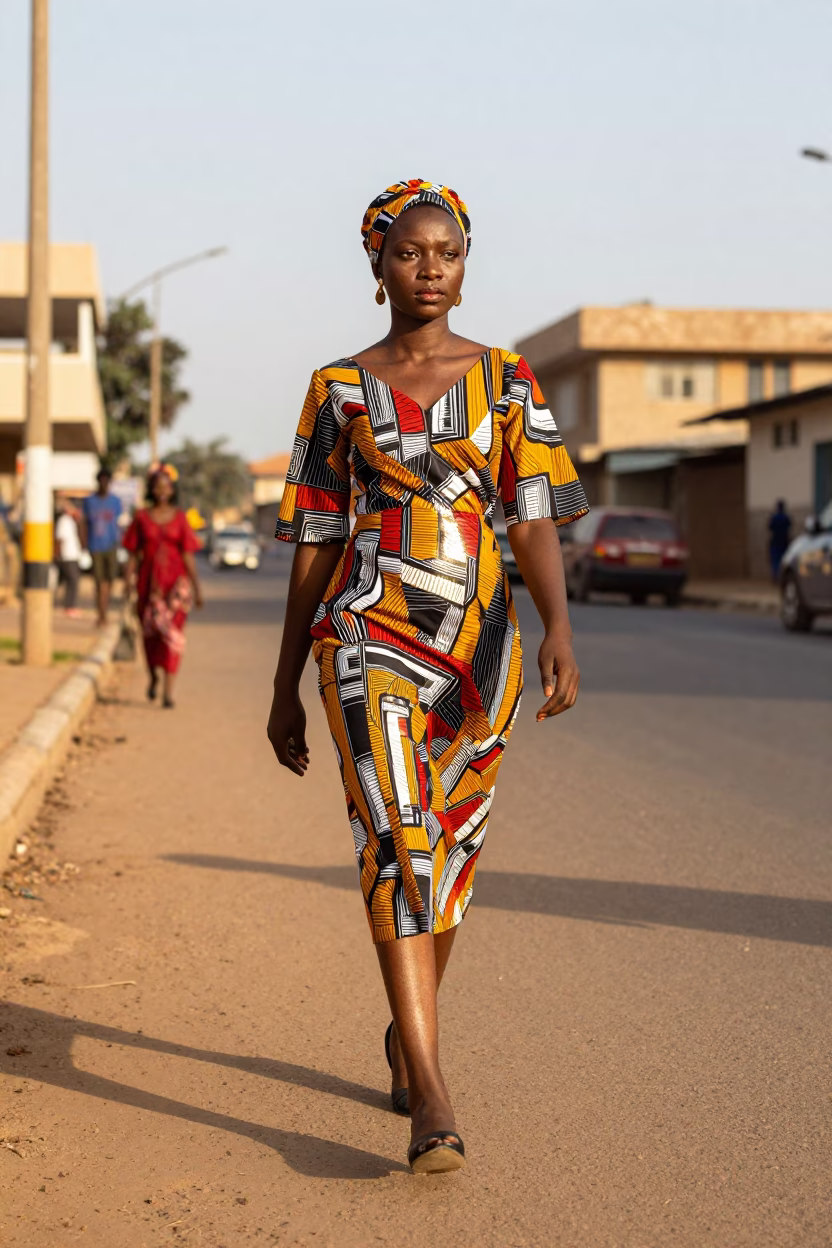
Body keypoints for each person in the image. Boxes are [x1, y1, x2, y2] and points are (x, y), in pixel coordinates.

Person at [267, 180, 588, 1175]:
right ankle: (434, 1098)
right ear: (377, 266)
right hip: (367, 634)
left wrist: (556, 628)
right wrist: (284, 680)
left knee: (449, 851)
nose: (430, 267)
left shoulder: (506, 379)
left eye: (446, 251)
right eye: (409, 253)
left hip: (480, 646)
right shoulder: (337, 389)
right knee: (398, 839)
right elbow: (317, 540)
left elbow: (529, 510)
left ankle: (406, 1036)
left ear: (464, 260)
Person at [123, 465, 203, 708]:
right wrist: (127, 581)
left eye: (166, 486)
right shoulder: (141, 518)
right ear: (152, 490)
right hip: (148, 587)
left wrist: (197, 589)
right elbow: (134, 554)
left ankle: (169, 692)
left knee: (173, 637)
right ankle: (153, 677)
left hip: (175, 589)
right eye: (158, 486)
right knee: (150, 636)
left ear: (172, 490)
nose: (162, 491)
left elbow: (188, 555)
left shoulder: (180, 518)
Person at [82, 468, 123, 626]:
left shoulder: (115, 501)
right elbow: (83, 523)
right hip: (95, 546)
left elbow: (119, 523)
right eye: (102, 480)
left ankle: (104, 609)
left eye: (107, 481)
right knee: (100, 583)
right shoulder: (89, 501)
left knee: (110, 581)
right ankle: (101, 614)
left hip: (111, 546)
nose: (104, 484)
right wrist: (84, 543)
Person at [54, 495, 83, 616]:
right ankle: (69, 606)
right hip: (67, 556)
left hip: (73, 555)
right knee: (72, 581)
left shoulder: (72, 521)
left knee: (72, 581)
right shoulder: (64, 521)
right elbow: (60, 540)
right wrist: (58, 555)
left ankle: (70, 606)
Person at [768, 499, 792, 581]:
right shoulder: (786, 517)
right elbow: (789, 526)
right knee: (783, 561)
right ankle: (781, 577)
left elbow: (770, 527)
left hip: (776, 542)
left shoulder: (774, 517)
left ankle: (776, 577)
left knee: (776, 561)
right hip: (784, 542)